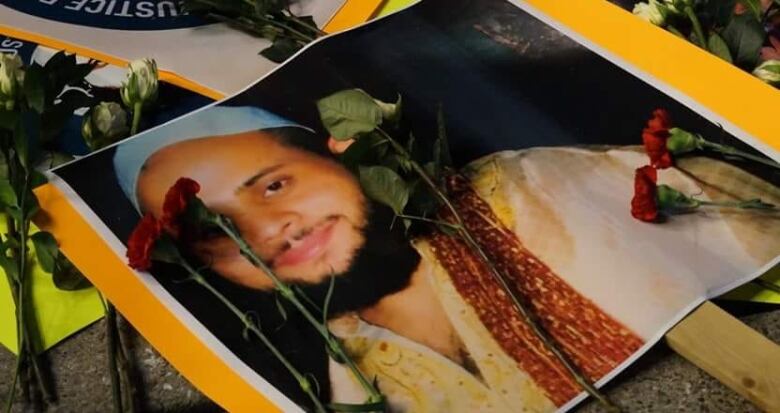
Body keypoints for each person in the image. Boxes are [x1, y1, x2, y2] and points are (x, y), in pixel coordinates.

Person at [114, 105, 780, 412]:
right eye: (218, 233)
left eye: (273, 184)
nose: (270, 228)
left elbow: (740, 211)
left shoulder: (518, 190)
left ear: (337, 152)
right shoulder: (349, 382)